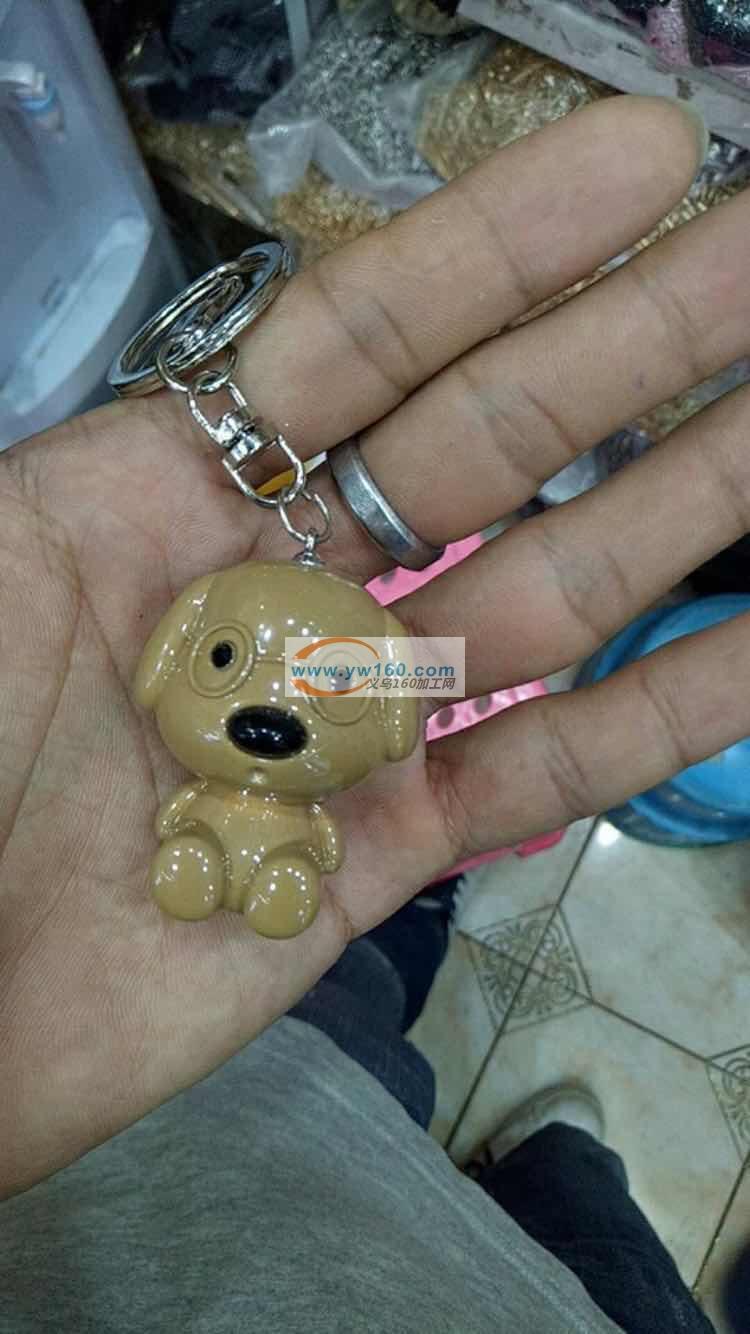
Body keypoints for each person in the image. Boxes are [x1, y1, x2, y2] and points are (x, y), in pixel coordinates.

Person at [0, 95, 739, 1331]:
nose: (271, 711)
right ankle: (558, 1159)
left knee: (355, 991)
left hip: (270, 1103)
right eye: (227, 660)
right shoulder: (208, 658)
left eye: (319, 687)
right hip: (332, 1164)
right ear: (174, 651)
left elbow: (398, 689)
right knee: (381, 1027)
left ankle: (541, 1145)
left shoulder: (381, 685)